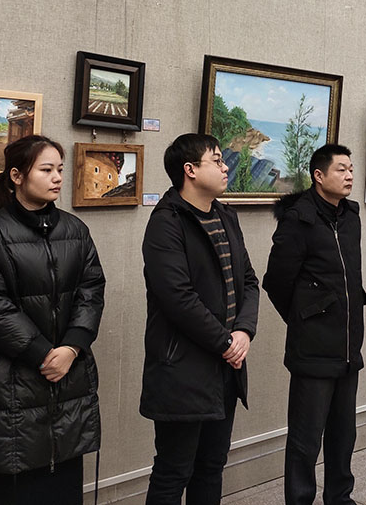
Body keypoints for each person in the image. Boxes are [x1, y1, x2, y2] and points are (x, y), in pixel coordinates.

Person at [0, 135, 106, 505]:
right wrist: (44, 355)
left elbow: (91, 290)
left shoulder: (75, 230)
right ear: (16, 176)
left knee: (61, 484)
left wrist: (72, 347)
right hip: (7, 382)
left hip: (68, 375)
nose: (57, 177)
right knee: (12, 489)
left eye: (60, 169)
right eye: (46, 170)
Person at [140, 133, 259, 505]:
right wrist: (226, 343)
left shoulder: (226, 215)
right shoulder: (166, 223)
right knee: (174, 471)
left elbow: (249, 281)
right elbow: (177, 298)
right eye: (217, 160)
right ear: (190, 170)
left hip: (226, 367)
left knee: (211, 465)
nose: (226, 167)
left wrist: (244, 331)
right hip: (183, 369)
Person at [263, 144, 365, 505]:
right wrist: (306, 318)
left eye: (351, 169)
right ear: (318, 176)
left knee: (343, 434)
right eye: (341, 169)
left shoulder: (350, 217)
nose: (349, 175)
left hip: (348, 345)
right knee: (305, 440)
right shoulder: (299, 219)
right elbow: (276, 282)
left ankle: (340, 496)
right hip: (313, 347)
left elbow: (350, 279)